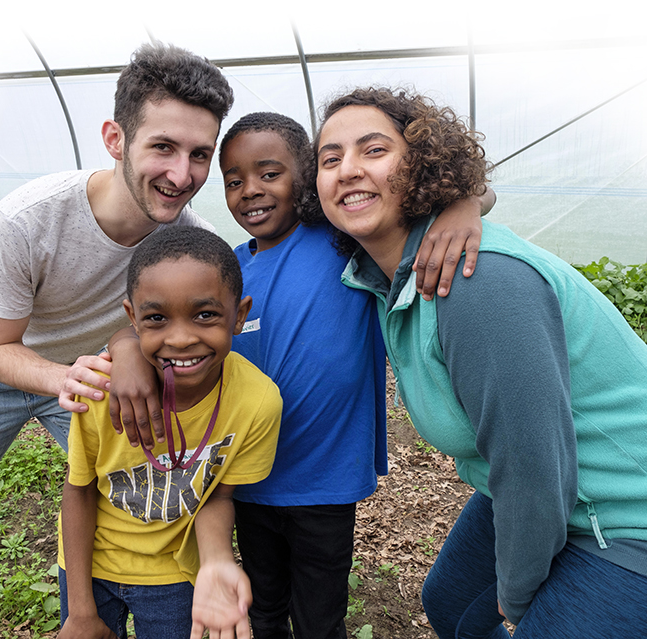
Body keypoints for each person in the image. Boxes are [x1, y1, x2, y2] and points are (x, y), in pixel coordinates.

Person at [105, 111, 492, 639]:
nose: (250, 192)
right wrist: (124, 346)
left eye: (270, 173)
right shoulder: (224, 270)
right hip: (243, 480)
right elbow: (157, 321)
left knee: (319, 615)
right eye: (234, 180)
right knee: (263, 607)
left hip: (324, 483)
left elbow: (452, 203)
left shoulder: (342, 241)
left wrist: (463, 207)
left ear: (308, 177)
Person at [314, 87, 647, 638]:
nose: (347, 169)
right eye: (330, 159)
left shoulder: (476, 281)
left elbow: (534, 470)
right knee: (449, 602)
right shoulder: (387, 274)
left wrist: (518, 599)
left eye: (373, 151)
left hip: (622, 514)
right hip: (542, 491)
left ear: (421, 166)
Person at [0, 42, 234, 630]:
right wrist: (72, 372)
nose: (183, 175)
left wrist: (125, 347)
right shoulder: (29, 218)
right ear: (115, 139)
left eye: (200, 154)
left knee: (151, 486)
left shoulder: (190, 241)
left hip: (90, 369)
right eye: (163, 147)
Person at [58, 226, 282, 639]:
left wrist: (217, 560)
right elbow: (79, 491)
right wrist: (81, 610)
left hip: (174, 576)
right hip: (91, 567)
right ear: (133, 318)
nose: (180, 339)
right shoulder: (101, 392)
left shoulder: (257, 402)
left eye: (206, 314)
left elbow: (218, 495)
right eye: (157, 318)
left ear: (240, 315)